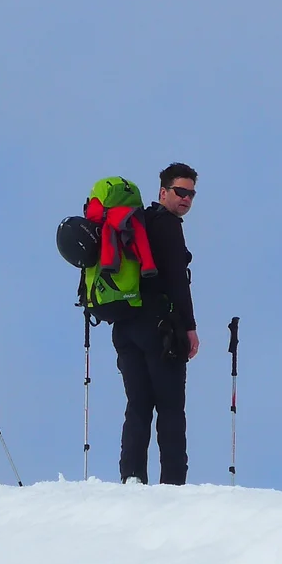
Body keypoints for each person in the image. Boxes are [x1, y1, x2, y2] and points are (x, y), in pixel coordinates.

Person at [115, 163, 199, 485]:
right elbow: (178, 280)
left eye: (191, 194)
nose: (186, 199)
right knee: (170, 408)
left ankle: (131, 478)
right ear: (163, 192)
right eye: (180, 192)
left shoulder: (135, 224)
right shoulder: (167, 225)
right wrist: (189, 327)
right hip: (160, 330)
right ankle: (173, 484)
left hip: (125, 328)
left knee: (137, 406)